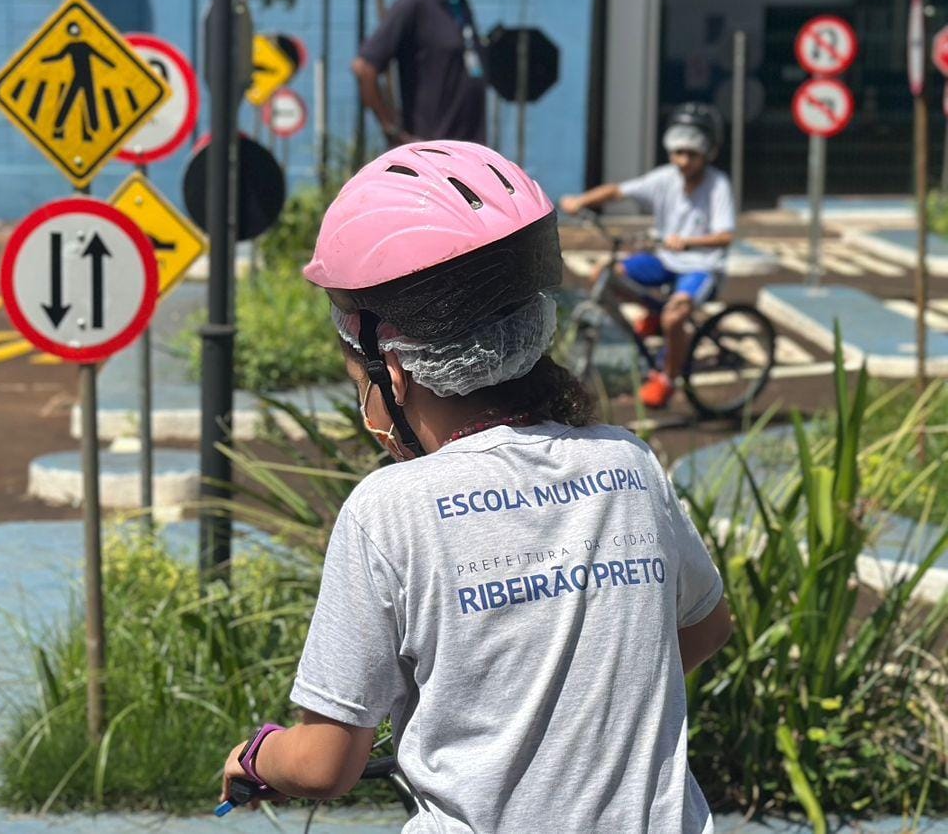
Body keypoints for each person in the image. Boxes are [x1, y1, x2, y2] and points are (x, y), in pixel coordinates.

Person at [217, 141, 733, 832]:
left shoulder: (389, 510)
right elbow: (706, 626)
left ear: (391, 370)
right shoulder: (628, 466)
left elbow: (324, 763)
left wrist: (258, 757)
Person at [559, 106, 736, 409]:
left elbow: (726, 236)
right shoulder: (665, 178)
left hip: (701, 267)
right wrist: (581, 201)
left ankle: (666, 378)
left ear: (709, 152)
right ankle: (654, 314)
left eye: (691, 154)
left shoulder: (717, 185)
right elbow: (618, 191)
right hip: (666, 260)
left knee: (675, 316)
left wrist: (689, 242)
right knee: (603, 275)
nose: (683, 161)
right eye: (678, 152)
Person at [351, 0, 487, 147]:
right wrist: (393, 131)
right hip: (431, 154)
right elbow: (364, 68)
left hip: (468, 153)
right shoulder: (416, 3)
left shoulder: (461, 6)